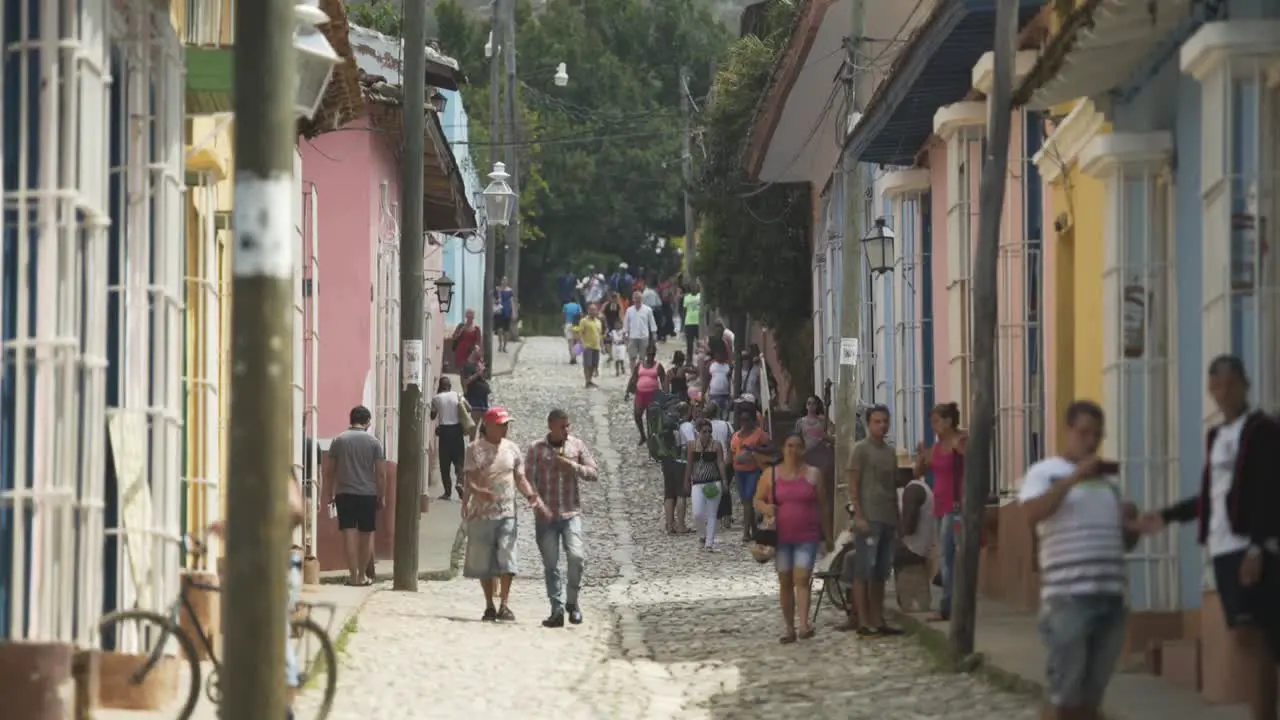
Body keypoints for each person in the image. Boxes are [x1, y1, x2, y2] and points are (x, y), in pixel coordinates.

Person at [1133, 355, 1280, 720]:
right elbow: (1211, 495)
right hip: (1222, 549)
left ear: (1245, 384)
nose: (1223, 393)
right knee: (1248, 639)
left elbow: (1269, 490)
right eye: (1216, 386)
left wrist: (1258, 546)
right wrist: (1166, 517)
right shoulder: (1216, 436)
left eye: (1230, 384)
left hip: (1251, 548)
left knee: (1256, 638)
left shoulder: (1262, 430)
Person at [1018, 400, 1139, 720]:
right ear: (1068, 430)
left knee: (1092, 696)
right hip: (1068, 599)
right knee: (1064, 696)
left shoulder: (1109, 484)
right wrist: (1073, 478)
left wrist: (1131, 524)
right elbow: (1032, 513)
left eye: (1096, 435)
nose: (1090, 441)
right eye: (1084, 432)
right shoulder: (1045, 473)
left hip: (1110, 596)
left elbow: (1125, 542)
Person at [207, 469, 306, 718]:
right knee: (247, 633)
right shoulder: (258, 478)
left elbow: (294, 512)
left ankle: (286, 704)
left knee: (275, 635)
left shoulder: (280, 475)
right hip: (256, 570)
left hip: (278, 570)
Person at [462, 407, 548, 622]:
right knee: (485, 562)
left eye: (506, 424)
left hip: (507, 512)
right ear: (488, 426)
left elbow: (520, 477)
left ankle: (505, 604)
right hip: (481, 513)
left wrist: (531, 495)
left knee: (507, 559)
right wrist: (478, 492)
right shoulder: (474, 449)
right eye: (501, 424)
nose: (505, 428)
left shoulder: (512, 449)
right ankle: (489, 605)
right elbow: (469, 478)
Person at [755, 433, 830, 643]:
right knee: (785, 581)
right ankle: (789, 627)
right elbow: (757, 500)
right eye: (789, 446)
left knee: (802, 578)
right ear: (783, 449)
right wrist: (767, 507)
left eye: (797, 446)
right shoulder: (771, 475)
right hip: (781, 537)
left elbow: (823, 505)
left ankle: (804, 624)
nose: (793, 450)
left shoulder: (813, 475)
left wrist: (828, 535)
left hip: (807, 535)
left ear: (803, 450)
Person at [526, 409, 599, 628]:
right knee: (551, 565)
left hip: (570, 512)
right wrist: (537, 504)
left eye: (568, 426)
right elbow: (527, 480)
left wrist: (573, 467)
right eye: (562, 426)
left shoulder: (576, 445)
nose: (566, 430)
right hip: (546, 516)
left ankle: (573, 603)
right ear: (551, 425)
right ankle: (556, 609)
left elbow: (593, 472)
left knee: (576, 556)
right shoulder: (536, 449)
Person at [846, 404, 903, 636]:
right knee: (864, 570)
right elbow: (853, 484)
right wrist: (858, 515)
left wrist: (897, 520)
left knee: (881, 572)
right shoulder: (860, 450)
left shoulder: (889, 452)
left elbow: (892, 486)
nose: (882, 426)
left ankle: (878, 618)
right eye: (877, 421)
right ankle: (864, 620)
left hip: (887, 516)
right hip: (869, 518)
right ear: (869, 424)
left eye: (885, 421)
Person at [324, 405, 387, 586]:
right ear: (367, 422)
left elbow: (330, 471)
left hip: (344, 493)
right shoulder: (374, 442)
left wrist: (330, 493)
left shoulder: (339, 441)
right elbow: (381, 473)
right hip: (367, 494)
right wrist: (381, 496)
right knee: (367, 534)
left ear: (351, 420)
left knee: (349, 533)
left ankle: (352, 576)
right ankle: (361, 575)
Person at [915, 401, 966, 622]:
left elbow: (973, 461)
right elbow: (918, 472)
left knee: (950, 555)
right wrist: (920, 457)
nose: (934, 426)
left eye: (937, 421)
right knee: (945, 556)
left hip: (956, 505)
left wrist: (959, 448)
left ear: (948, 421)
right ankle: (950, 603)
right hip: (940, 505)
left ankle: (950, 606)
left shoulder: (961, 440)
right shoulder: (935, 447)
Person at [895, 465, 936, 613]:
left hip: (914, 548)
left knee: (869, 558)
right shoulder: (917, 487)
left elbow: (908, 529)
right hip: (919, 545)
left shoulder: (912, 491)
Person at [685, 419, 731, 549]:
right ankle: (702, 534)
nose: (707, 434)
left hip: (713, 482)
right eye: (704, 431)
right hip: (697, 483)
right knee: (697, 513)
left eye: (709, 432)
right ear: (698, 432)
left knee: (712, 513)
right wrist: (687, 481)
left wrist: (724, 480)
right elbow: (689, 464)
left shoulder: (716, 445)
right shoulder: (692, 446)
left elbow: (720, 463)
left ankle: (709, 542)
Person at [730, 408, 770, 542]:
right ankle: (754, 528)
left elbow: (768, 448)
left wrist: (756, 454)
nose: (744, 423)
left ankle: (746, 532)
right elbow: (732, 452)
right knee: (745, 502)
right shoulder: (736, 435)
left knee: (747, 499)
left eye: (747, 419)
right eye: (742, 420)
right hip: (738, 471)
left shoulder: (759, 434)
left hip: (753, 470)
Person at [430, 377, 467, 501]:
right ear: (450, 385)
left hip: (444, 431)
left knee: (444, 463)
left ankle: (447, 492)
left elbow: (432, 416)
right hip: (457, 430)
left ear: (440, 386)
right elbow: (469, 408)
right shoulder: (457, 395)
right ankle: (460, 483)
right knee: (460, 460)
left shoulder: (436, 398)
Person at [625, 344, 666, 445]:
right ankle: (643, 435)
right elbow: (633, 378)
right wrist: (627, 391)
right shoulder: (639, 365)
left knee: (651, 418)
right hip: (640, 394)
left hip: (653, 394)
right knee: (637, 414)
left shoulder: (658, 366)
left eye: (653, 354)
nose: (651, 356)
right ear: (646, 353)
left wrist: (664, 395)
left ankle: (651, 437)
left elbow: (664, 381)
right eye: (649, 353)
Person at [572, 302, 604, 388]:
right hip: (587, 345)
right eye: (591, 310)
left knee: (594, 365)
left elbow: (600, 335)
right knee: (587, 364)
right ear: (588, 311)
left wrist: (602, 346)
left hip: (596, 346)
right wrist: (581, 343)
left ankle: (590, 380)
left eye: (595, 310)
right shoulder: (584, 321)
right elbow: (580, 333)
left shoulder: (599, 322)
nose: (593, 311)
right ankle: (587, 381)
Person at [461, 346, 490, 435]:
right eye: (478, 350)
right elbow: (466, 381)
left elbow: (484, 378)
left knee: (485, 428)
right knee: (474, 426)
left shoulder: (479, 363)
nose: (480, 351)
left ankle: (482, 446)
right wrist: (478, 373)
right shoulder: (468, 366)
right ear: (473, 351)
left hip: (484, 399)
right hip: (475, 399)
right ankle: (473, 446)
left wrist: (483, 372)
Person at [624, 290, 657, 367]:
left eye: (639, 298)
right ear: (633, 299)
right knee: (632, 357)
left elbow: (652, 322)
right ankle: (633, 375)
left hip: (644, 336)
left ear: (642, 299)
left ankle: (642, 374)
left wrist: (654, 334)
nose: (637, 300)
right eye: (636, 298)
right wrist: (625, 334)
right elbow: (626, 323)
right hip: (632, 336)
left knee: (643, 358)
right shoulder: (629, 310)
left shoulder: (648, 310)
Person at [451, 309, 482, 373]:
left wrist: (477, 350)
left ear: (474, 317)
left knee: (471, 371)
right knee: (462, 371)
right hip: (461, 351)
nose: (470, 318)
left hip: (471, 352)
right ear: (466, 316)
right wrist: (459, 332)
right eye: (468, 316)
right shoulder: (461, 326)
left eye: (471, 316)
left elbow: (479, 342)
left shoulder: (476, 328)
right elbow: (454, 337)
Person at [705, 347, 733, 418]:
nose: (720, 356)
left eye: (722, 354)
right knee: (714, 414)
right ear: (715, 355)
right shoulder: (711, 365)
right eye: (718, 354)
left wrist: (730, 394)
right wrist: (705, 392)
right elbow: (707, 379)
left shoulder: (728, 366)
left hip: (725, 395)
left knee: (725, 414)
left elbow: (730, 380)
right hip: (714, 394)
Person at [493, 276, 516, 353]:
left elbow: (512, 301)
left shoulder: (510, 291)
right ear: (501, 281)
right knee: (499, 329)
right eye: (503, 280)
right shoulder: (497, 289)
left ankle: (505, 346)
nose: (504, 282)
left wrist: (513, 312)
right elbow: (493, 299)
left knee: (506, 330)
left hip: (507, 311)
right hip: (499, 310)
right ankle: (500, 344)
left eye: (506, 280)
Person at [682, 283, 701, 360]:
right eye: (692, 287)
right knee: (689, 344)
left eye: (695, 287)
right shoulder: (686, 298)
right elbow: (684, 310)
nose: (693, 288)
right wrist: (684, 324)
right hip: (689, 322)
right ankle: (689, 360)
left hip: (698, 323)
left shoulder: (701, 296)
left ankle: (701, 359)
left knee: (700, 343)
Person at [562, 296, 583, 365]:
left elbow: (564, 315)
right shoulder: (578, 306)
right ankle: (575, 357)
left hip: (568, 324)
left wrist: (563, 323)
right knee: (576, 342)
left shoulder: (565, 306)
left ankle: (571, 357)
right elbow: (581, 315)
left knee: (570, 342)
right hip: (576, 325)